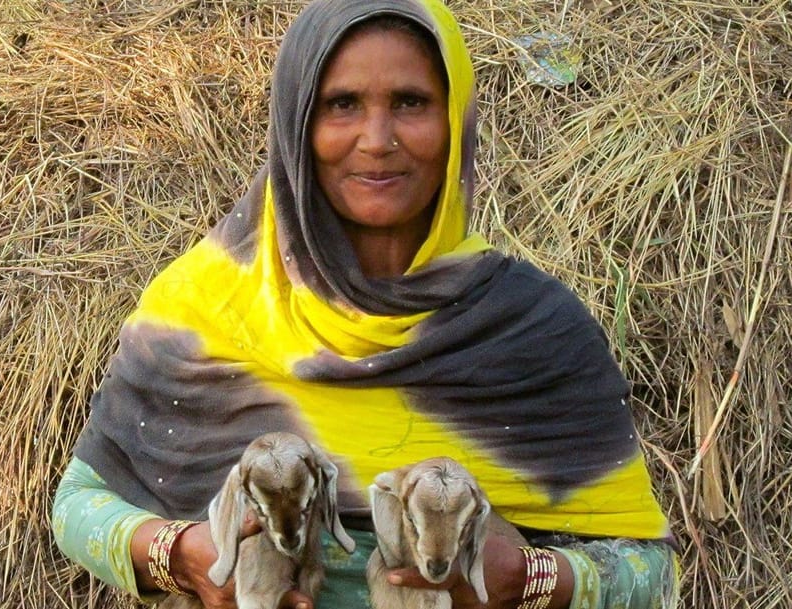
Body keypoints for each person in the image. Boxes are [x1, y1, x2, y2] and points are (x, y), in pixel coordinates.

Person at [51, 1, 680, 608]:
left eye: (410, 103)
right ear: (296, 124)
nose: (377, 140)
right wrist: (180, 552)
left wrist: (531, 579)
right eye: (341, 105)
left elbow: (647, 569)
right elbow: (79, 501)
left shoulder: (533, 327)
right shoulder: (202, 307)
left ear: (455, 119)